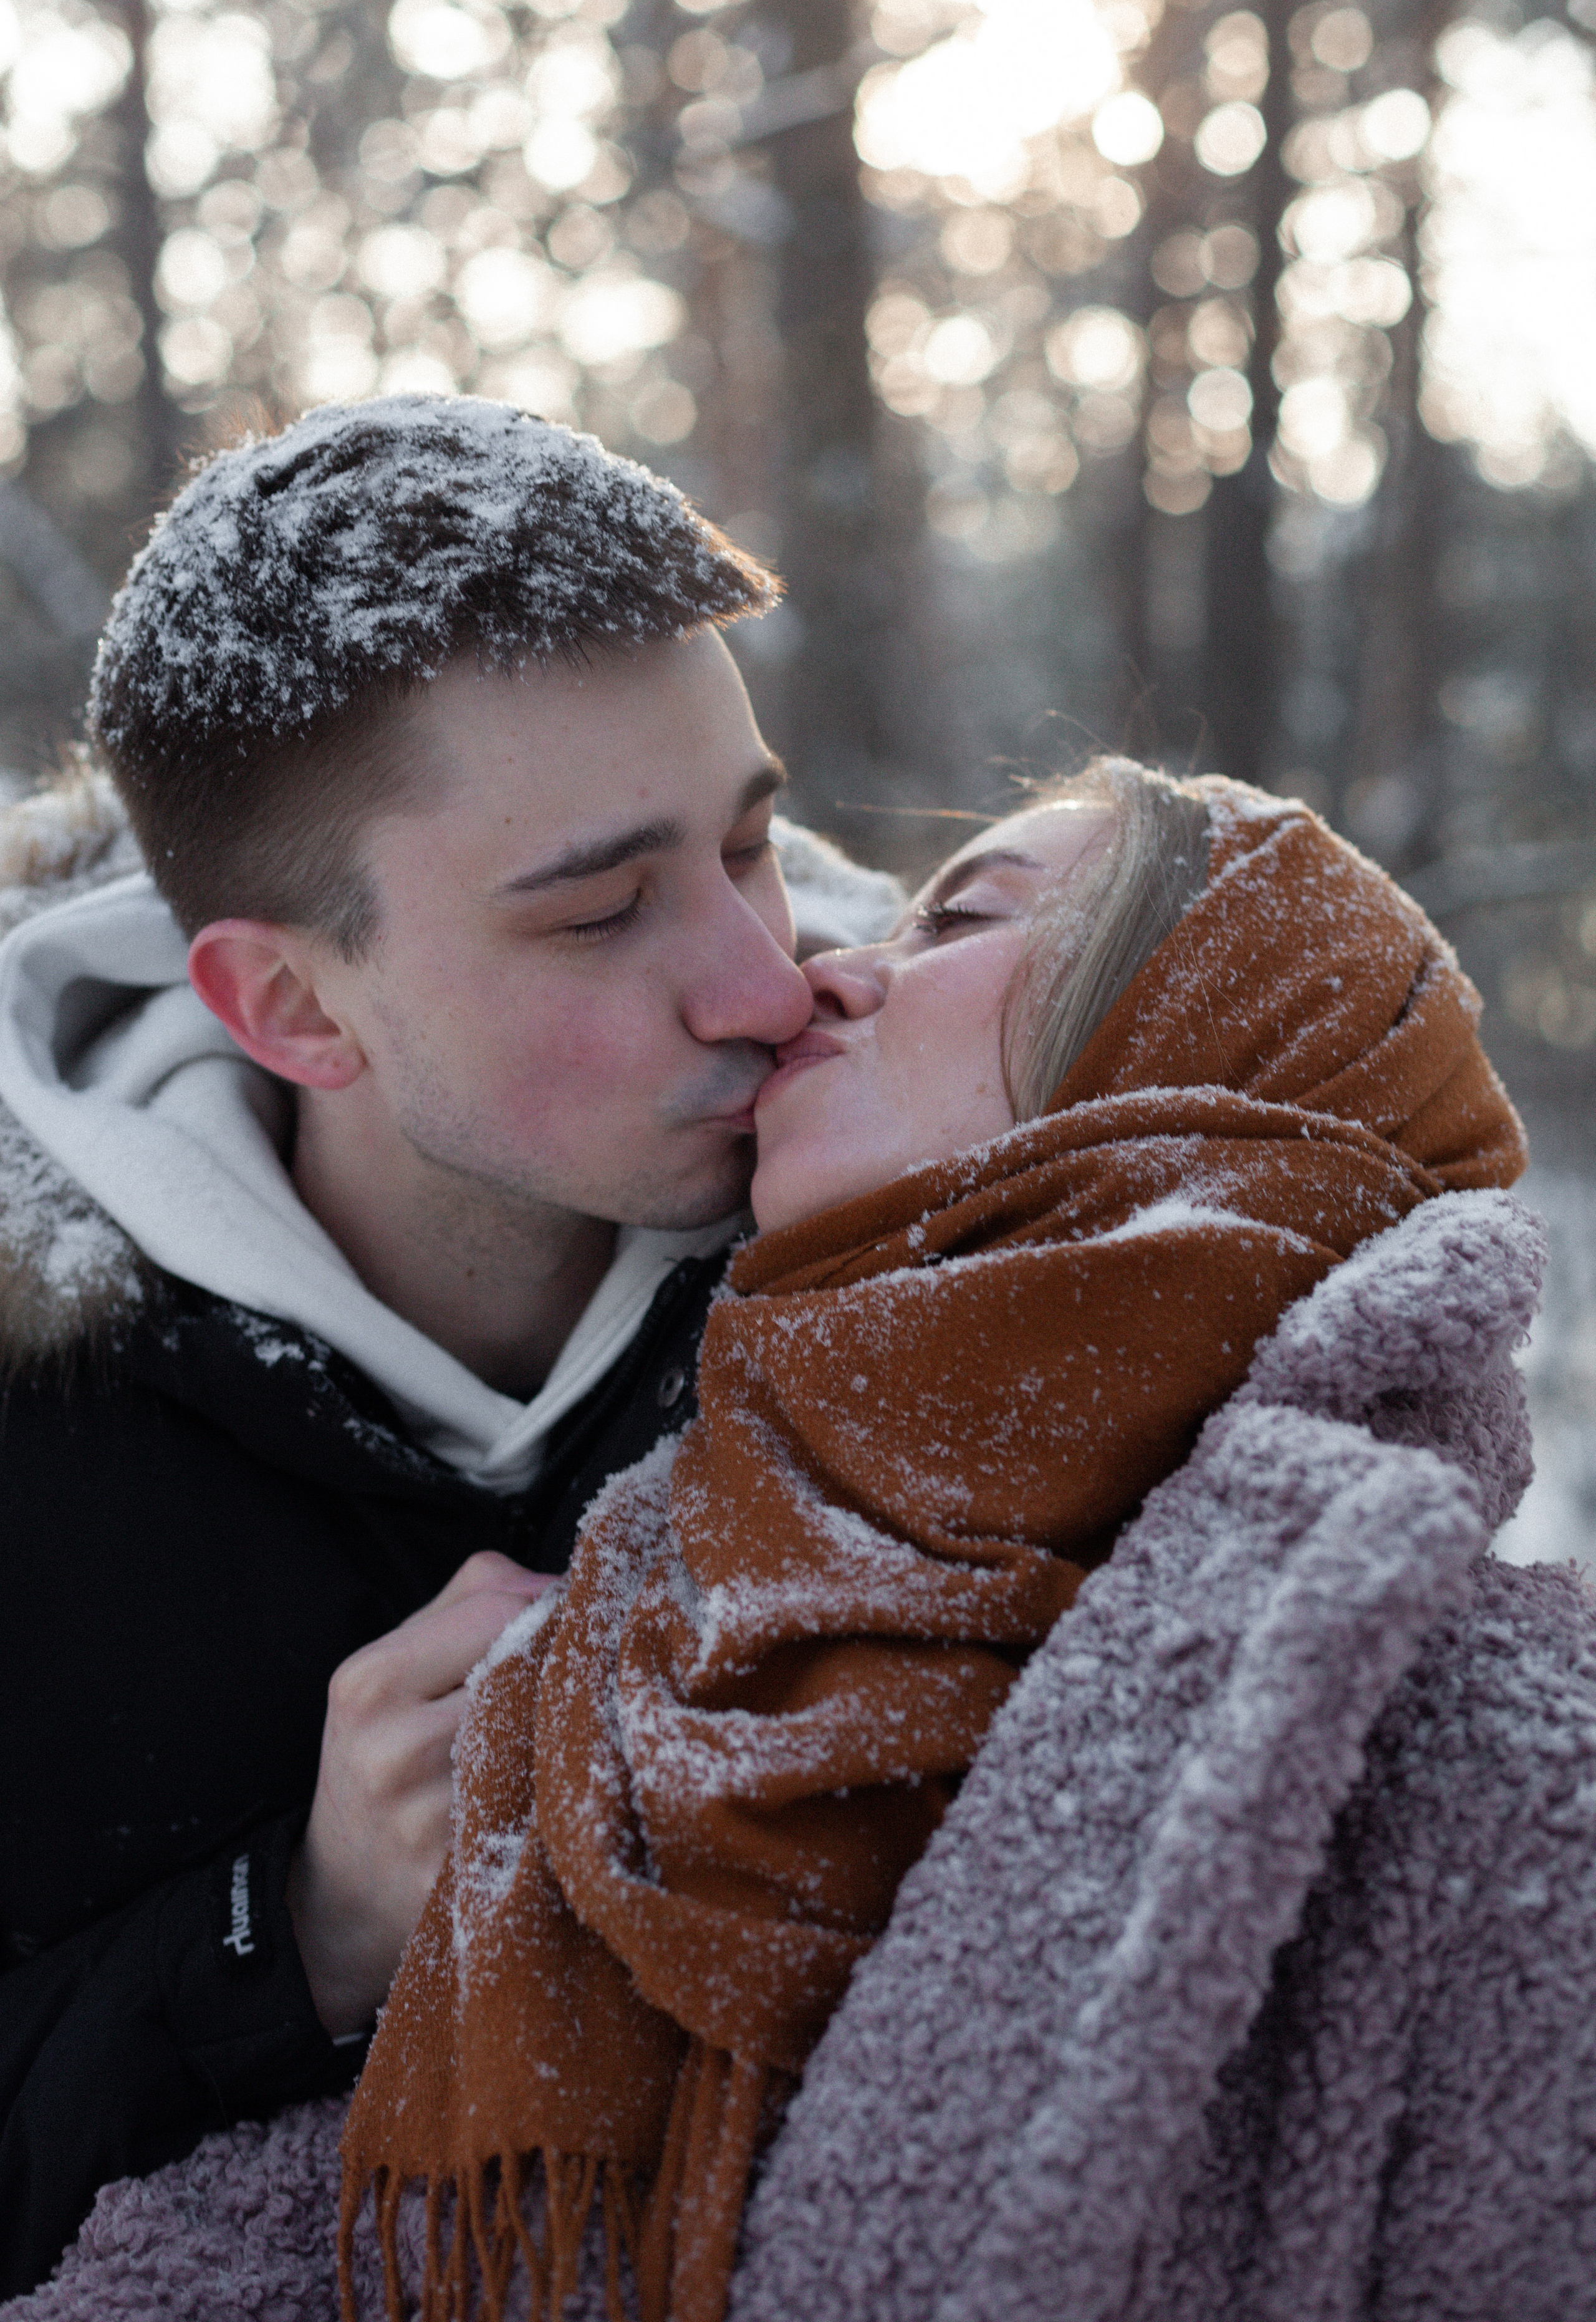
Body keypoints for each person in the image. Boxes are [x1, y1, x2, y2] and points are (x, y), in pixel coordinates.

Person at [337, 760, 1595, 2322]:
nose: (818, 975)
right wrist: (292, 1933)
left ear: (1186, 1044)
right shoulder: (607, 1627)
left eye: (962, 921)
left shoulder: (1513, 1763)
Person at [0, 394, 901, 2296]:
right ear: (290, 1007)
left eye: (754, 841)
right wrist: (297, 1928)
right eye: (600, 913)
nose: (771, 984)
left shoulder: (947, 1218)